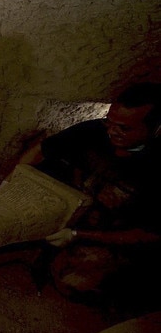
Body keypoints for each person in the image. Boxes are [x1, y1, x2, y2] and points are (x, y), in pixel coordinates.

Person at [20, 82, 161, 307]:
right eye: (109, 122)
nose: (112, 131)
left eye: (124, 128)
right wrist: (11, 183)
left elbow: (150, 234)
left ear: (155, 128)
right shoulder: (95, 131)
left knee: (72, 281)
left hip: (109, 236)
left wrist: (78, 235)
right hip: (70, 213)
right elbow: (41, 150)